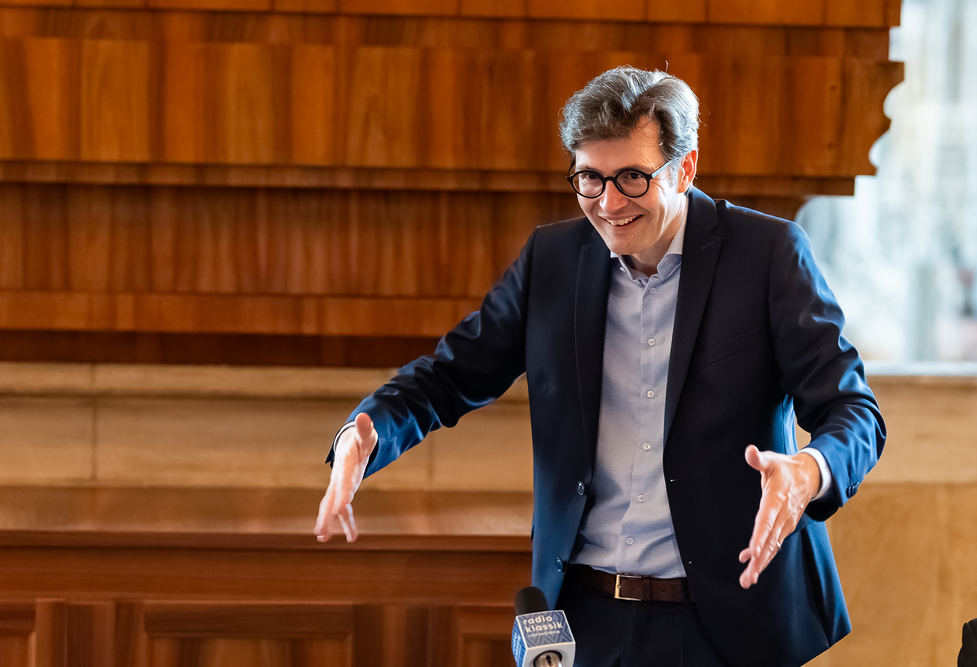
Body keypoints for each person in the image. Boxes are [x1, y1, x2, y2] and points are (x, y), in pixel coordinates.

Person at [314, 67, 885, 667]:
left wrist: (810, 470)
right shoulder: (552, 259)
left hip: (728, 622)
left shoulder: (767, 255)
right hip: (583, 619)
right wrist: (365, 432)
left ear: (685, 168)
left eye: (633, 177)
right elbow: (448, 377)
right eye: (590, 178)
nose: (610, 204)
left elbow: (853, 410)